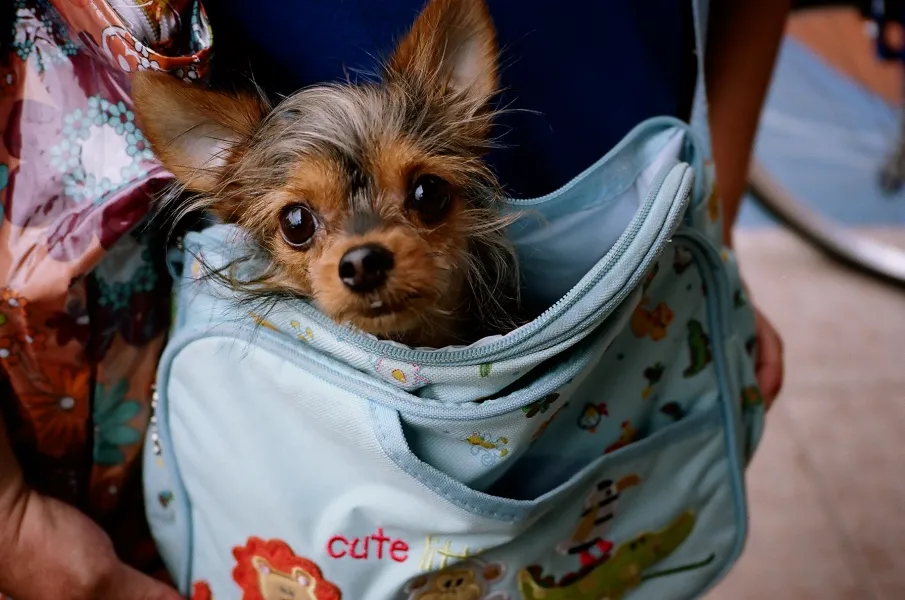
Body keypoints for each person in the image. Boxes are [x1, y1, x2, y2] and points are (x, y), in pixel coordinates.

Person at [0, 1, 786, 598]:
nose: (364, 250)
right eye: (301, 226)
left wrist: (706, 243)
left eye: (423, 195)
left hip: (627, 266)